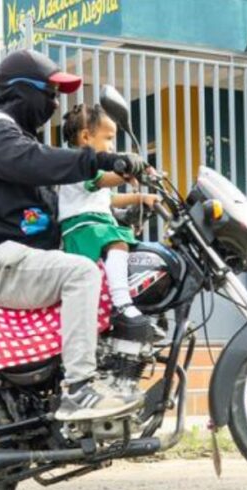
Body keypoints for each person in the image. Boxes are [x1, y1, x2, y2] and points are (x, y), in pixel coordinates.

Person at [0, 50, 146, 421]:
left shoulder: (14, 136)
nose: (55, 104)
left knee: (92, 271)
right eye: (50, 93)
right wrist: (99, 159)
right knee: (81, 273)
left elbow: (48, 204)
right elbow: (35, 159)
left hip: (7, 258)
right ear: (23, 90)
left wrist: (121, 209)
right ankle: (79, 389)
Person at [59, 104, 161, 338]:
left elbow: (108, 199)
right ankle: (122, 304)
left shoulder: (87, 168)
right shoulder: (79, 164)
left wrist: (141, 197)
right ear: (86, 137)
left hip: (94, 226)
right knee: (119, 242)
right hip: (82, 228)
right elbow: (104, 180)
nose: (113, 147)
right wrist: (128, 168)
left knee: (131, 250)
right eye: (109, 139)